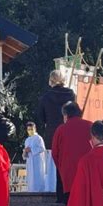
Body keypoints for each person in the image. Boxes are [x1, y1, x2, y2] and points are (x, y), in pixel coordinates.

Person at [37, 68, 76, 198]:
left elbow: (41, 117)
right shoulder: (70, 94)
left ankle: (51, 189)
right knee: (66, 162)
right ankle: (65, 190)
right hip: (68, 132)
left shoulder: (46, 97)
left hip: (52, 132)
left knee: (52, 163)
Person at [51, 102, 92, 206]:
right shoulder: (90, 126)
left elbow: (55, 153)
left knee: (70, 204)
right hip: (88, 173)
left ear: (66, 115)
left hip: (68, 174)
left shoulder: (61, 129)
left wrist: (61, 168)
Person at [23, 122, 46, 192]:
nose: (30, 131)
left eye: (31, 129)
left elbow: (42, 148)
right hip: (30, 161)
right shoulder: (27, 140)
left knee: (38, 177)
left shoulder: (39, 138)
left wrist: (32, 150)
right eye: (28, 129)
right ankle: (31, 190)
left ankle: (39, 190)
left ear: (35, 129)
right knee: (31, 178)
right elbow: (25, 152)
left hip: (37, 161)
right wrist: (25, 152)